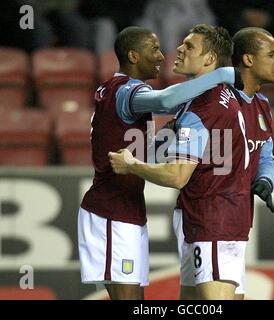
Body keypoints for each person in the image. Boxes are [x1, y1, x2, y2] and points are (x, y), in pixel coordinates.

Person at [78, 26, 242, 300]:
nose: (161, 55)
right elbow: (167, 100)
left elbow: (142, 153)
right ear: (133, 55)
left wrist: (168, 134)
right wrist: (222, 75)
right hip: (110, 212)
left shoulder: (118, 91)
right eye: (153, 49)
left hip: (126, 210)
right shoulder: (126, 92)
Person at [230, 27, 274, 299]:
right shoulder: (221, 101)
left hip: (237, 218)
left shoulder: (262, 104)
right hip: (212, 217)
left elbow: (266, 153)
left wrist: (265, 179)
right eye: (271, 54)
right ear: (248, 59)